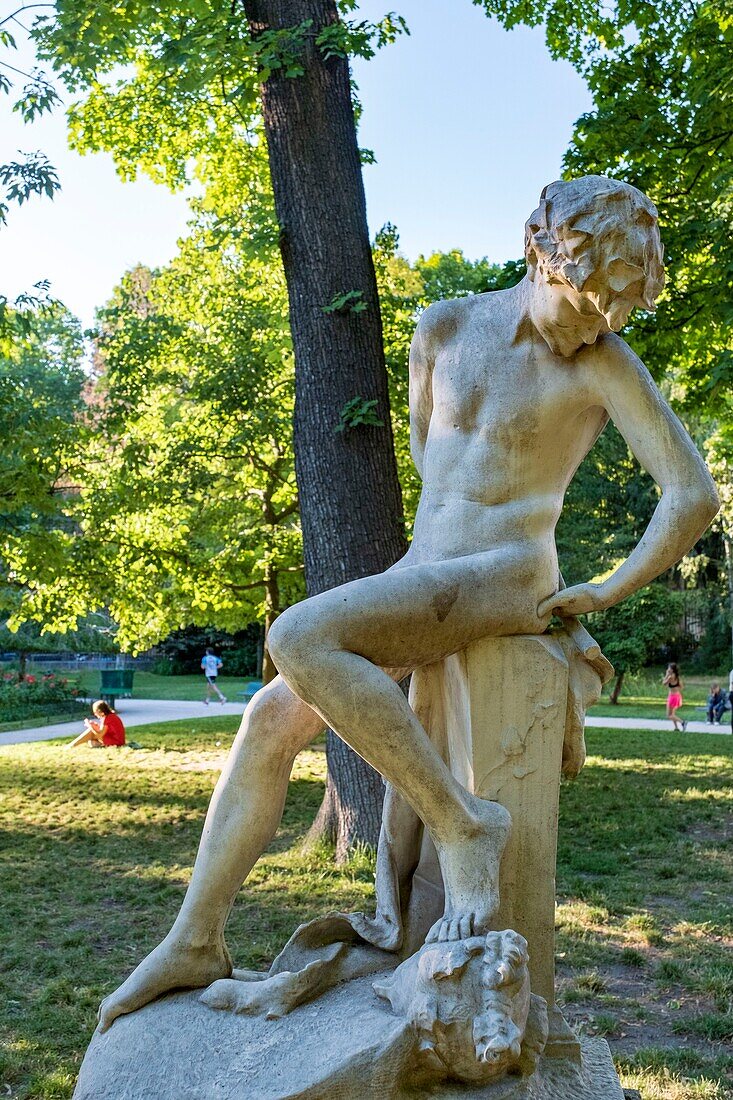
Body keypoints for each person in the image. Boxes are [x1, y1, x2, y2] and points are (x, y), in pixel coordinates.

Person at [97, 177, 719, 1032]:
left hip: (508, 576)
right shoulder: (445, 328)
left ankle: (466, 827)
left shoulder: (603, 362)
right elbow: (435, 470)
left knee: (298, 634)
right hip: (429, 572)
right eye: (584, 304)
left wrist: (607, 588)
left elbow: (690, 495)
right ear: (541, 251)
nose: (595, 326)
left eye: (614, 312)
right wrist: (421, 580)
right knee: (268, 721)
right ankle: (195, 935)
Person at [663, 663, 686, 731]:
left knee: (669, 715)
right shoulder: (677, 677)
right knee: (672, 714)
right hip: (677, 696)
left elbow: (664, 683)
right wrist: (675, 688)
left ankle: (683, 722)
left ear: (672, 670)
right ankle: (676, 727)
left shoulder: (670, 677)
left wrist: (666, 674)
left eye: (669, 668)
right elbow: (681, 687)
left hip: (672, 697)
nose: (668, 669)